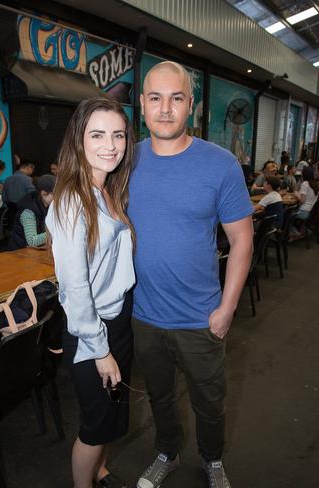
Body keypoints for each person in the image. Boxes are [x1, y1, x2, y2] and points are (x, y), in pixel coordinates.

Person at [127, 61, 253, 488]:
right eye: (156, 98)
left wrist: (227, 309)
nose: (165, 109)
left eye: (176, 98)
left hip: (201, 318)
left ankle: (213, 460)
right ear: (142, 104)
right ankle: (166, 452)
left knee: (209, 402)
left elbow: (242, 240)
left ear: (190, 105)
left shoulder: (220, 165)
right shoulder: (125, 161)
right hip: (145, 316)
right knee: (159, 398)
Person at [46, 97, 135, 488]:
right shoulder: (71, 200)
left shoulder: (107, 188)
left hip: (117, 320)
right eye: (97, 134)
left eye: (118, 134)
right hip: (91, 333)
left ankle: (100, 471)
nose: (110, 145)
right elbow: (75, 290)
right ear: (78, 140)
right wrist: (101, 351)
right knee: (95, 423)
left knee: (112, 410)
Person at [8, 174, 55, 250]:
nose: (58, 197)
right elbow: (32, 241)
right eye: (54, 194)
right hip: (19, 253)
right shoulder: (28, 212)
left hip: (34, 251)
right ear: (43, 193)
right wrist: (55, 232)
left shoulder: (47, 206)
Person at [290, 166, 319, 237]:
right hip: (310, 212)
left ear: (304, 174)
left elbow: (302, 200)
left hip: (303, 212)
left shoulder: (305, 184)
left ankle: (293, 232)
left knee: (287, 214)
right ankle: (300, 229)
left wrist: (296, 194)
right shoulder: (315, 184)